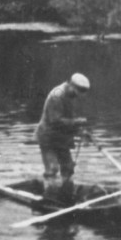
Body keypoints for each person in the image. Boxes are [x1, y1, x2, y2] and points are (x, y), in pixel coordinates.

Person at [35, 73, 90, 202]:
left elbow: (69, 118)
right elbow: (55, 120)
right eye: (77, 92)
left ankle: (66, 194)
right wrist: (77, 122)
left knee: (68, 168)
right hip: (48, 137)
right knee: (53, 168)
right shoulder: (57, 96)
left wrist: (81, 132)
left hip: (61, 138)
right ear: (71, 85)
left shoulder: (70, 96)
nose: (78, 95)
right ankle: (49, 198)